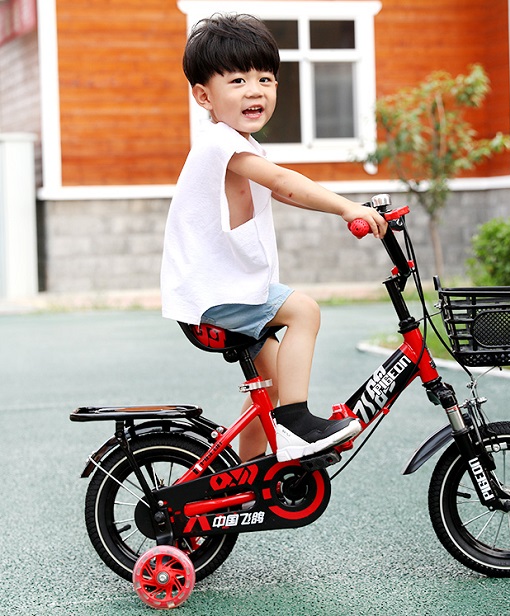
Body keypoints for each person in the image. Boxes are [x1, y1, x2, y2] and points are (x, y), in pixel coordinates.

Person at [161, 13, 387, 463]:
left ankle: (246, 476)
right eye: (238, 80)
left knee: (270, 386)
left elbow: (283, 192)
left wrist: (344, 208)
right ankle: (296, 423)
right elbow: (283, 182)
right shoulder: (220, 143)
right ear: (204, 96)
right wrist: (347, 207)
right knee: (304, 310)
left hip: (225, 291)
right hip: (217, 295)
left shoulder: (240, 145)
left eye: (266, 79)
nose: (255, 90)